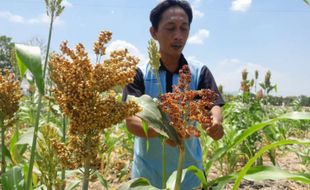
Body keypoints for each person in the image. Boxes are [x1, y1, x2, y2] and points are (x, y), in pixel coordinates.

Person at [122, 0, 225, 189]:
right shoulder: (139, 73)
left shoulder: (198, 71)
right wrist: (167, 131)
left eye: (184, 29)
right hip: (147, 178)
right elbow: (131, 121)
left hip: (189, 175)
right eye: (170, 28)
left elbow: (214, 105)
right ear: (154, 32)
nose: (178, 36)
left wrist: (216, 122)